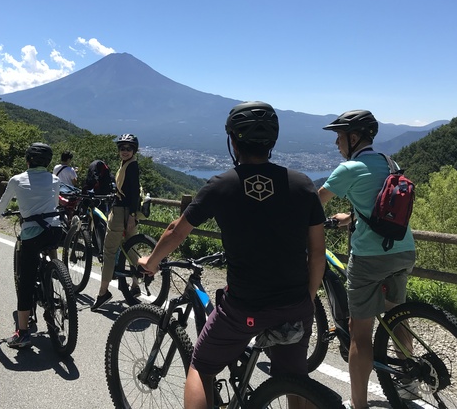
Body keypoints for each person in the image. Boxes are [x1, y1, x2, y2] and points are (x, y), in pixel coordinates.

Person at [139, 102, 326, 409]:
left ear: (233, 141)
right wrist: (305, 300)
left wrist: (152, 261)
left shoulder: (222, 185)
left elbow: (177, 230)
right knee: (295, 380)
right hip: (294, 304)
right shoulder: (303, 185)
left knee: (201, 366)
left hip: (244, 307)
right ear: (273, 141)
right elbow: (317, 254)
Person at [317, 110, 417, 409]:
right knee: (395, 314)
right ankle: (410, 380)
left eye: (339, 136)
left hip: (369, 258)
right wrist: (350, 217)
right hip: (403, 249)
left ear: (354, 137)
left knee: (360, 332)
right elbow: (381, 205)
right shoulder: (390, 163)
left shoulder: (348, 168)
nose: (337, 143)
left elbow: (311, 204)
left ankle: (358, 404)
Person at [0, 142, 62, 348]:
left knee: (26, 280)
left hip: (32, 235)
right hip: (55, 230)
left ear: (28, 160)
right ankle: (54, 275)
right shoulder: (55, 179)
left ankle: (22, 333)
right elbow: (53, 202)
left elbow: (2, 205)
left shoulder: (17, 180)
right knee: (49, 250)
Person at [91, 133, 142, 311]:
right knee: (130, 247)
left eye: (128, 148)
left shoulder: (131, 166)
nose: (124, 151)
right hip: (127, 212)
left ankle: (103, 292)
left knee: (109, 251)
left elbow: (134, 192)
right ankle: (135, 284)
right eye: (122, 148)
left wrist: (131, 216)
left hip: (121, 212)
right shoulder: (128, 164)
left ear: (134, 150)